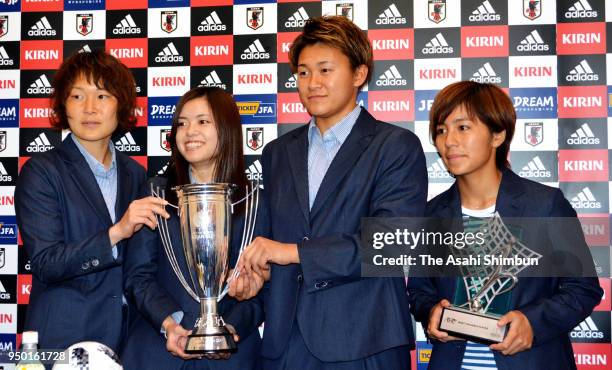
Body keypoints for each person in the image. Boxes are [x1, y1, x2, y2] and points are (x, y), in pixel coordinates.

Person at [233, 16, 427, 369]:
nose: (312, 83)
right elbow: (267, 240)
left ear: (359, 74)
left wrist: (293, 252)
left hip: (365, 339)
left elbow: (392, 242)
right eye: (303, 72)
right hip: (284, 343)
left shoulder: (395, 146)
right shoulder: (278, 152)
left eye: (325, 70)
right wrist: (255, 279)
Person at [406, 81, 603, 370]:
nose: (449, 141)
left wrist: (532, 322)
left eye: (463, 127)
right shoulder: (432, 214)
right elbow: (419, 291)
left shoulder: (545, 204)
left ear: (498, 134)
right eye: (441, 130)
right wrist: (431, 311)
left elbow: (583, 288)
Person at [14, 50, 168, 352]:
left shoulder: (136, 174)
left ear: (120, 104)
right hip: (64, 339)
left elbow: (141, 267)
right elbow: (46, 262)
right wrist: (116, 232)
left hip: (128, 340)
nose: (89, 109)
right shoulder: (41, 172)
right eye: (77, 96)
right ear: (63, 105)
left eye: (102, 96)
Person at [121, 86, 264, 370]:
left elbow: (265, 288)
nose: (189, 131)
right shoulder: (155, 193)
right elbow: (138, 275)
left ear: (227, 129)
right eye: (182, 124)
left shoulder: (255, 202)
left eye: (203, 121)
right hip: (158, 352)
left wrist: (231, 329)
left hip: (231, 359)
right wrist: (169, 323)